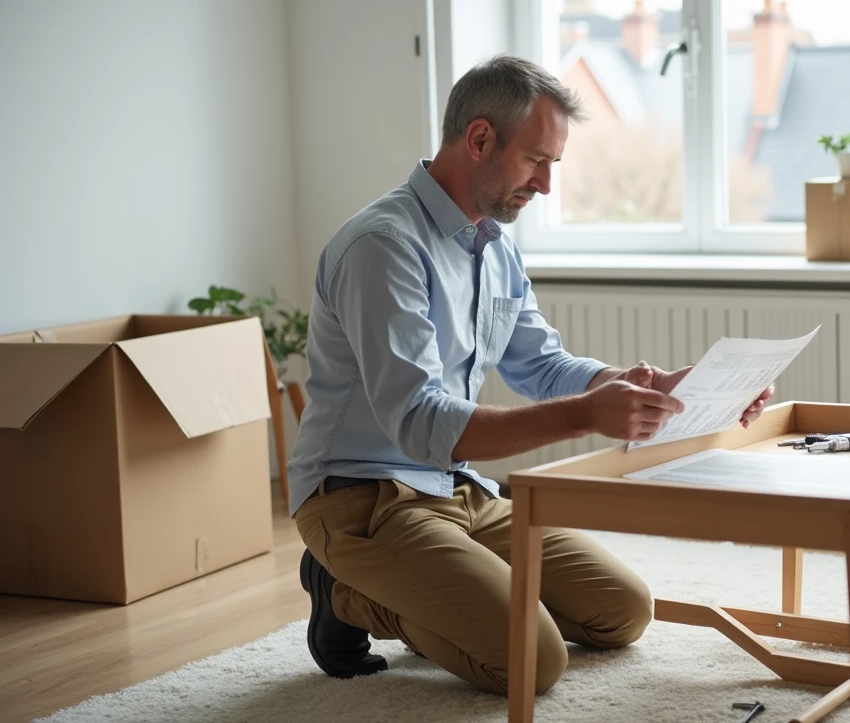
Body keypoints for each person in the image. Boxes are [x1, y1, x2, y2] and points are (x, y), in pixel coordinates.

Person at [288, 54, 774, 696]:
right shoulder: (382, 246)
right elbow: (418, 422)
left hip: (457, 489)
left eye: (554, 165)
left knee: (621, 611)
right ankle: (344, 591)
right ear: (480, 138)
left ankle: (435, 581)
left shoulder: (494, 245)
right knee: (532, 661)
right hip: (362, 498)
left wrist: (638, 387)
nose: (546, 185)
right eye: (536, 160)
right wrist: (583, 417)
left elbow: (542, 366)